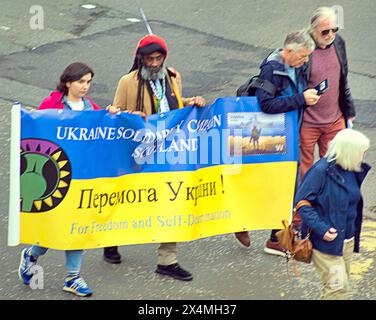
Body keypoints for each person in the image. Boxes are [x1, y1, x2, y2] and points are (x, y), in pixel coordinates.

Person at [109, 34, 205, 281]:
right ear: (140, 59)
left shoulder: (173, 77)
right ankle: (111, 239)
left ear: (164, 57)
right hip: (138, 151)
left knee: (170, 202)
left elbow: (172, 106)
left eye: (157, 58)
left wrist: (190, 102)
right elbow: (114, 113)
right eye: (149, 59)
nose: (153, 63)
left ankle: (167, 260)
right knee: (130, 199)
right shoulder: (127, 81)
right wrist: (132, 115)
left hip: (168, 151)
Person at [18, 62, 119, 297]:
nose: (85, 87)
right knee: (55, 225)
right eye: (81, 82)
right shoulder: (51, 104)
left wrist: (110, 115)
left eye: (88, 82)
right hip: (57, 176)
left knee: (77, 227)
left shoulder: (90, 107)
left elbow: (100, 133)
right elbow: (36, 131)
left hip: (83, 176)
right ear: (68, 83)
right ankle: (31, 255)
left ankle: (72, 277)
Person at [253, 30, 319, 256]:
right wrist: (301, 99)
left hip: (289, 136)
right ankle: (254, 230)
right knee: (274, 187)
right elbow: (266, 105)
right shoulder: (271, 69)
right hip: (272, 138)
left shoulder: (296, 65)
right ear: (288, 51)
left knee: (287, 187)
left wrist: (307, 97)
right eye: (302, 57)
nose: (305, 61)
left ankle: (277, 237)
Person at [294, 129, 370, 299]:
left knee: (337, 288)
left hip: (347, 240)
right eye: (361, 152)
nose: (363, 155)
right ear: (348, 152)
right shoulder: (321, 171)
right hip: (326, 244)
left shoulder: (352, 169)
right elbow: (301, 203)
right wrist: (322, 228)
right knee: (337, 289)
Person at [299, 7, 356, 179]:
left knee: (333, 167)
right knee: (305, 170)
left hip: (334, 120)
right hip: (308, 123)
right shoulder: (304, 49)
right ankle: (304, 203)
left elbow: (343, 79)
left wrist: (350, 111)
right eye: (325, 31)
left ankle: (328, 203)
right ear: (313, 31)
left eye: (334, 29)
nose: (331, 35)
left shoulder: (338, 43)